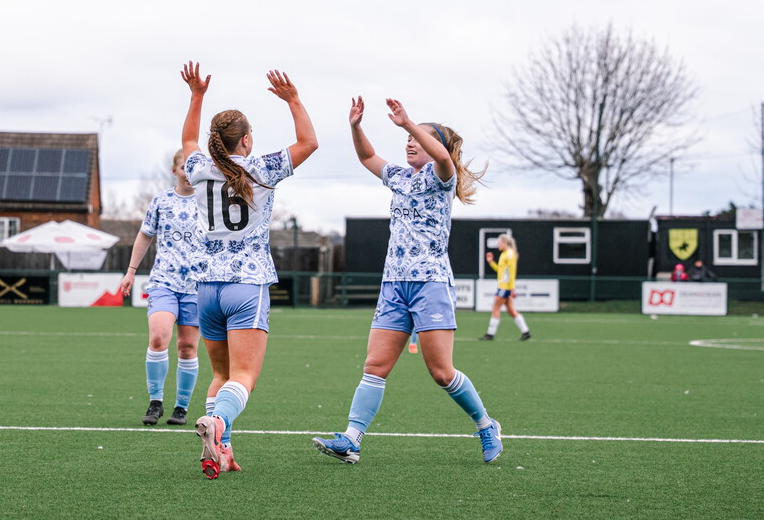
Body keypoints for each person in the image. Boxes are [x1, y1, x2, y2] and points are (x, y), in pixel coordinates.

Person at [312, 96, 502, 465]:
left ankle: (485, 424)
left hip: (430, 283)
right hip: (394, 284)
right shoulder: (400, 177)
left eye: (420, 139)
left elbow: (445, 159)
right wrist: (355, 127)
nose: (410, 142)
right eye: (409, 138)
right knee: (375, 366)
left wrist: (408, 123)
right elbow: (368, 158)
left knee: (441, 372)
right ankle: (351, 439)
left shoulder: (442, 177)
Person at [180, 61, 318, 479]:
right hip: (247, 285)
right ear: (246, 140)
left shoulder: (199, 167)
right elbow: (309, 141)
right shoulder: (261, 168)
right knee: (243, 377)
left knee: (220, 374)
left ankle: (219, 448)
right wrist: (293, 99)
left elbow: (188, 139)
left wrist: (196, 95)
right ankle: (218, 425)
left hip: (206, 287)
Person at [120, 150, 202, 427]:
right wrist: (131, 271)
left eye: (194, 169)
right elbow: (145, 235)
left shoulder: (209, 200)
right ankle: (155, 402)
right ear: (174, 170)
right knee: (158, 338)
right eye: (184, 168)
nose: (189, 174)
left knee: (188, 347)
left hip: (197, 285)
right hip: (163, 281)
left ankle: (181, 407)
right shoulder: (162, 200)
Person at [480, 233, 531, 341]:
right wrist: (491, 262)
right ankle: (526, 332)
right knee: (511, 310)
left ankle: (490, 334)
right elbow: (500, 270)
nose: (498, 245)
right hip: (503, 286)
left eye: (499, 243)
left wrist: (512, 288)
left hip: (505, 287)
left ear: (505, 243)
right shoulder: (504, 254)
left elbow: (512, 272)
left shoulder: (509, 254)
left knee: (495, 308)